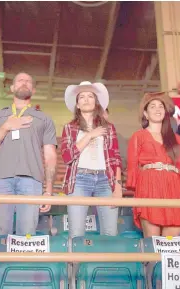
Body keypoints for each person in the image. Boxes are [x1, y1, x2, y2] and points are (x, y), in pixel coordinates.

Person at [0, 72, 56, 236]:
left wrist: (48, 190)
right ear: (12, 88)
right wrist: (5, 127)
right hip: (0, 179)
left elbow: (50, 156)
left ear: (33, 90)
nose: (24, 82)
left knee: (27, 233)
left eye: (28, 81)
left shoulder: (44, 119)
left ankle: (22, 262)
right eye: (20, 80)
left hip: (32, 181)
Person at [61, 81, 122, 238]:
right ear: (77, 104)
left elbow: (116, 158)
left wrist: (118, 186)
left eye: (90, 96)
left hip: (105, 179)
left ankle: (107, 263)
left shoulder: (109, 128)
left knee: (110, 232)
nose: (86, 99)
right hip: (79, 178)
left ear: (96, 102)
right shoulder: (69, 128)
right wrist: (89, 135)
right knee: (76, 233)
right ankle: (75, 263)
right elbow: (67, 157)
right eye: (82, 97)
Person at [127, 92, 180, 238]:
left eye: (161, 106)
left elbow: (179, 167)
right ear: (146, 114)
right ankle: (151, 262)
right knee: (152, 242)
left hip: (173, 187)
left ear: (166, 113)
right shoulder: (138, 136)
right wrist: (137, 190)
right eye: (152, 106)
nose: (157, 109)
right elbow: (132, 165)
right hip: (149, 186)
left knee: (172, 244)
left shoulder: (176, 139)